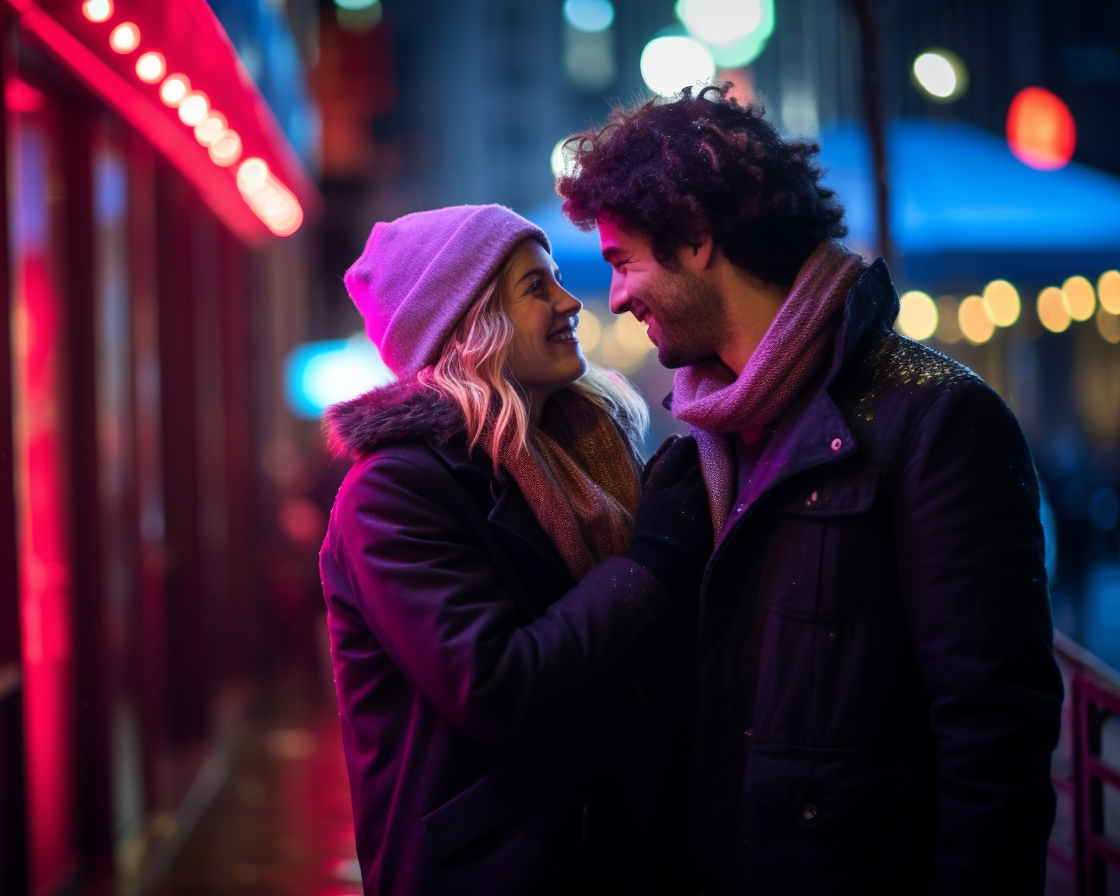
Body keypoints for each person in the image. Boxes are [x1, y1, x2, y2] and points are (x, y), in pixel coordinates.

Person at [556, 86, 1064, 894]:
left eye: (624, 261)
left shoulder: (936, 420)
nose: (615, 296)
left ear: (696, 237)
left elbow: (993, 738)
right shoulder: (702, 453)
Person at [318, 204, 712, 896]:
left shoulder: (580, 449)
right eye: (537, 287)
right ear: (469, 323)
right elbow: (499, 687)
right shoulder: (391, 494)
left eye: (558, 279)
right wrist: (651, 560)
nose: (569, 303)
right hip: (500, 872)